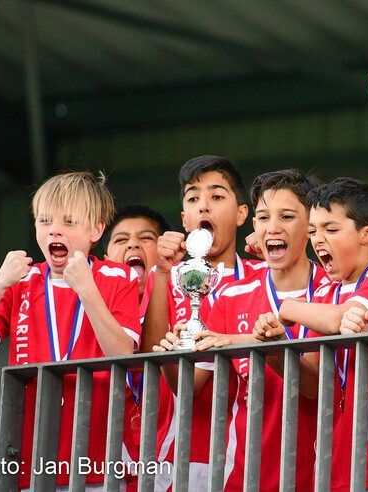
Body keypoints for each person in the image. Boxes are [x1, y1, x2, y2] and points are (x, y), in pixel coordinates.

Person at [0, 171, 140, 490]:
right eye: (44, 221)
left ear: (96, 229)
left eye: (69, 222)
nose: (54, 230)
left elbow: (121, 352)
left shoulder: (117, 276)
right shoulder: (22, 281)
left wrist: (86, 288)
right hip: (29, 456)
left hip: (98, 455)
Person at [157, 169, 328, 491]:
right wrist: (170, 355)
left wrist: (266, 344)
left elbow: (313, 386)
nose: (272, 227)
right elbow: (189, 386)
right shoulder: (233, 294)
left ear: (310, 227)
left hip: (320, 475)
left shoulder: (331, 292)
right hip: (244, 476)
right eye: (263, 217)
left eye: (287, 216)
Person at [254, 178, 368, 490]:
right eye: (313, 231)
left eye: (330, 229)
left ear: (367, 234)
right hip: (332, 467)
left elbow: (339, 320)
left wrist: (288, 307)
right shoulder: (325, 292)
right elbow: (312, 382)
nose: (318, 240)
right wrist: (274, 348)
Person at [141, 155, 262, 489]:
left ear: (241, 214)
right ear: (184, 218)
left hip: (248, 455)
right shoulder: (164, 275)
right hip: (174, 454)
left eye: (217, 196)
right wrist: (163, 272)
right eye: (193, 198)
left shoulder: (263, 275)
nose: (203, 207)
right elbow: (148, 351)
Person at [103, 205, 173, 490]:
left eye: (146, 238)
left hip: (169, 457)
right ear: (106, 258)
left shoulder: (184, 300)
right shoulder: (95, 308)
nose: (132, 243)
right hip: (105, 460)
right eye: (121, 239)